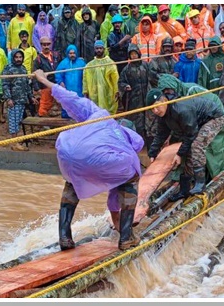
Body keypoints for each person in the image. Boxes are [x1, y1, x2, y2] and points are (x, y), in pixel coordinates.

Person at [32, 69, 144, 251]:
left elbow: (70, 98)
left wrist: (42, 79)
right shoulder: (129, 145)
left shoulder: (99, 114)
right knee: (131, 177)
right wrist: (117, 220)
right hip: (103, 159)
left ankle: (65, 237)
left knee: (72, 181)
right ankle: (126, 237)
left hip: (67, 150)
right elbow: (116, 196)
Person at [147, 73, 224, 196]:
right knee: (189, 150)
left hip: (214, 117)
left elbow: (191, 134)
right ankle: (184, 189)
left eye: (157, 107)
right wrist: (152, 152)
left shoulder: (181, 109)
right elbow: (160, 135)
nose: (156, 111)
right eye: (152, 109)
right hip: (196, 122)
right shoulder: (163, 116)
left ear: (164, 100)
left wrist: (179, 154)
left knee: (196, 145)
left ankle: (200, 183)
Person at [2, 49, 37, 151]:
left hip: (22, 100)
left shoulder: (23, 69)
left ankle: (15, 141)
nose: (18, 59)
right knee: (13, 121)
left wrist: (31, 97)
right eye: (16, 57)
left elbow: (27, 85)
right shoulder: (8, 69)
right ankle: (14, 143)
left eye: (20, 57)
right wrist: (8, 99)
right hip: (13, 101)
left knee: (17, 121)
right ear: (13, 58)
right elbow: (5, 85)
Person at [118, 43, 153, 146]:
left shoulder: (145, 65)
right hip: (133, 99)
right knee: (135, 120)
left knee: (148, 119)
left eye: (135, 53)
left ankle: (148, 142)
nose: (134, 56)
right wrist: (125, 86)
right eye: (131, 54)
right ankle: (136, 142)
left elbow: (151, 78)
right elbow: (120, 82)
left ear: (139, 54)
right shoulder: (126, 69)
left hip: (146, 96)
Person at [83, 40, 119, 115]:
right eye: (97, 48)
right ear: (94, 49)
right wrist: (85, 91)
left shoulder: (110, 63)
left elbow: (116, 79)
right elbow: (85, 80)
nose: (99, 50)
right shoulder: (89, 65)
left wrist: (117, 91)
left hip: (108, 94)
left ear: (104, 49)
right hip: (94, 95)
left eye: (100, 48)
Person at [53, 45, 85, 119]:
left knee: (79, 106)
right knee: (67, 106)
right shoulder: (63, 63)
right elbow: (57, 74)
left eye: (74, 53)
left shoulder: (81, 63)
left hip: (79, 90)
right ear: (67, 54)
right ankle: (66, 123)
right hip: (67, 90)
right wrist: (60, 82)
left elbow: (87, 74)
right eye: (70, 53)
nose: (72, 55)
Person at [33, 37, 58, 116]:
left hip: (54, 84)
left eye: (48, 44)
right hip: (44, 86)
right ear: (41, 45)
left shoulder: (56, 55)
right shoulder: (38, 59)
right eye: (44, 45)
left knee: (52, 103)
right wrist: (37, 88)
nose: (46, 46)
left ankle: (49, 117)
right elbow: (34, 74)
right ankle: (42, 121)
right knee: (44, 105)